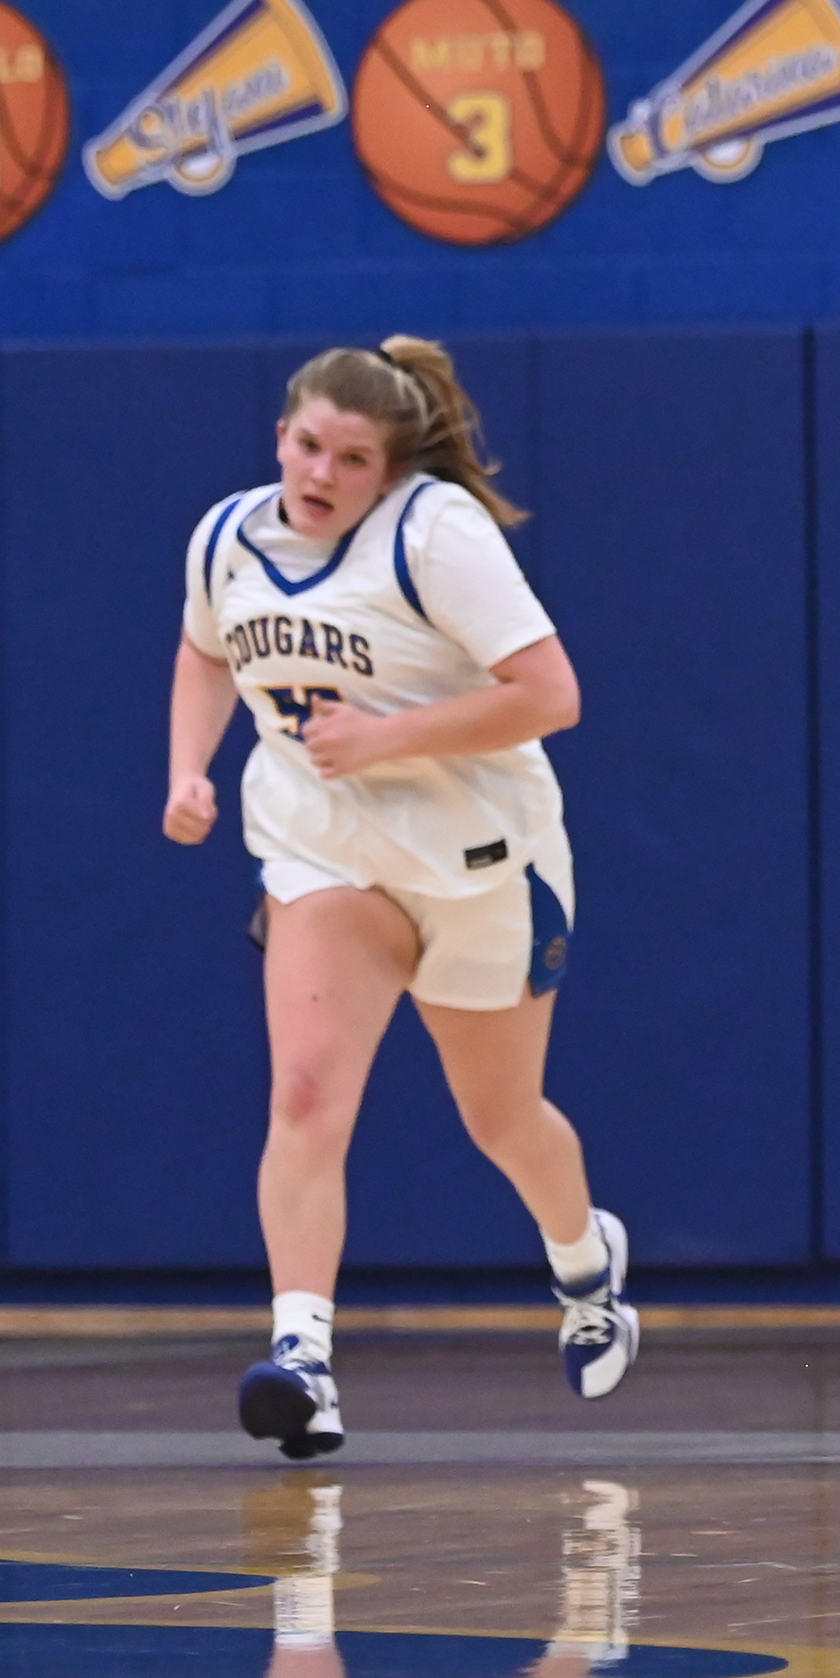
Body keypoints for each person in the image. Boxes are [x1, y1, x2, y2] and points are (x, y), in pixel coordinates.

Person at [167, 338, 636, 1458]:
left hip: (480, 858)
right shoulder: (229, 536)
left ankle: (585, 1260)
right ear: (280, 433)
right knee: (306, 1095)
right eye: (308, 445)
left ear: (390, 469)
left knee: (502, 1120)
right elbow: (204, 653)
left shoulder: (437, 535)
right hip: (324, 851)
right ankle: (304, 1358)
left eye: (352, 457)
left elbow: (553, 694)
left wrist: (386, 735)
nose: (321, 472)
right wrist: (189, 765)